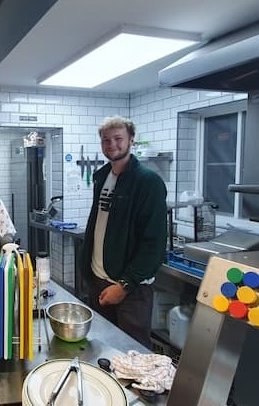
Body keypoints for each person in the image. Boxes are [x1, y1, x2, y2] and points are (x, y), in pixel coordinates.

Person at [80, 116, 167, 348]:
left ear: (131, 140)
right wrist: (88, 272)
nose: (112, 144)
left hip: (131, 289)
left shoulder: (148, 182)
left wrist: (125, 285)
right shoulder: (101, 177)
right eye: (106, 140)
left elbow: (154, 244)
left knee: (132, 352)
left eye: (118, 138)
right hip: (99, 280)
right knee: (101, 348)